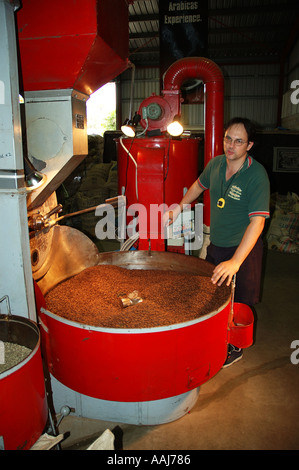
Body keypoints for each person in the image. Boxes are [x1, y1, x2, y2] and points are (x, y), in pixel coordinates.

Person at [163, 117, 270, 367]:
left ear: (249, 145)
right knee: (214, 292)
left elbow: (258, 224)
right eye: (227, 139)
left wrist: (235, 262)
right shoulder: (216, 164)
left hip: (243, 249)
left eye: (238, 141)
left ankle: (235, 347)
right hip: (218, 243)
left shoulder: (257, 176)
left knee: (240, 300)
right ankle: (215, 336)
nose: (230, 145)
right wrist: (178, 208)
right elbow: (198, 187)